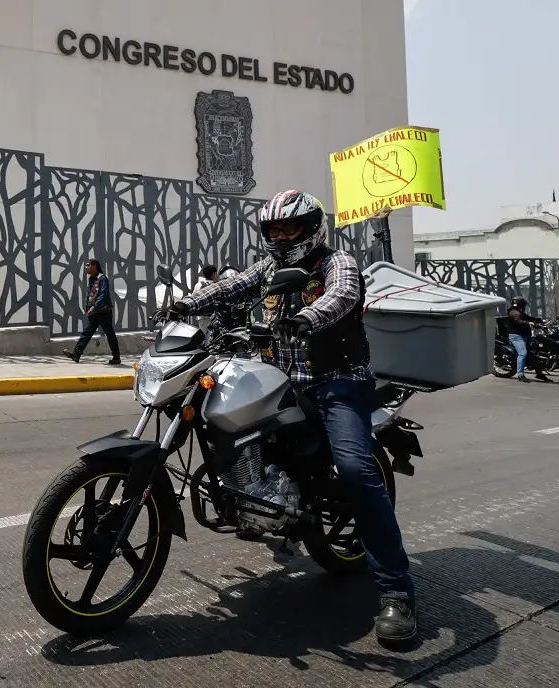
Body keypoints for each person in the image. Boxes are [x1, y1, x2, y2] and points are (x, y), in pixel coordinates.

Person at [169, 189, 418, 643]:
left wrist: (305, 318)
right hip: (281, 376)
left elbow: (342, 296)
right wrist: (188, 303)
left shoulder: (334, 262)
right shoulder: (268, 268)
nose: (281, 237)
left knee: (357, 471)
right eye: (273, 230)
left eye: (290, 228)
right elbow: (233, 285)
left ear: (312, 228)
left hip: (336, 381)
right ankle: (259, 499)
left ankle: (397, 592)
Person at [63, 259, 121, 365]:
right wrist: (88, 307)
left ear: (95, 266)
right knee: (87, 333)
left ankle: (116, 357)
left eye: (88, 265)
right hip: (94, 312)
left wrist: (93, 307)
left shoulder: (102, 278)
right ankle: (76, 354)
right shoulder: (91, 279)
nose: (86, 268)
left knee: (110, 334)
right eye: (85, 266)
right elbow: (91, 295)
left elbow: (103, 294)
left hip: (103, 312)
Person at [507, 297, 550, 383]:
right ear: (521, 304)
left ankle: (539, 373)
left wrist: (541, 320)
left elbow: (529, 318)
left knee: (535, 353)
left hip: (525, 336)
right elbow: (519, 321)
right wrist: (530, 323)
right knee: (523, 353)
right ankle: (520, 375)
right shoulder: (514, 312)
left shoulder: (520, 312)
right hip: (516, 337)